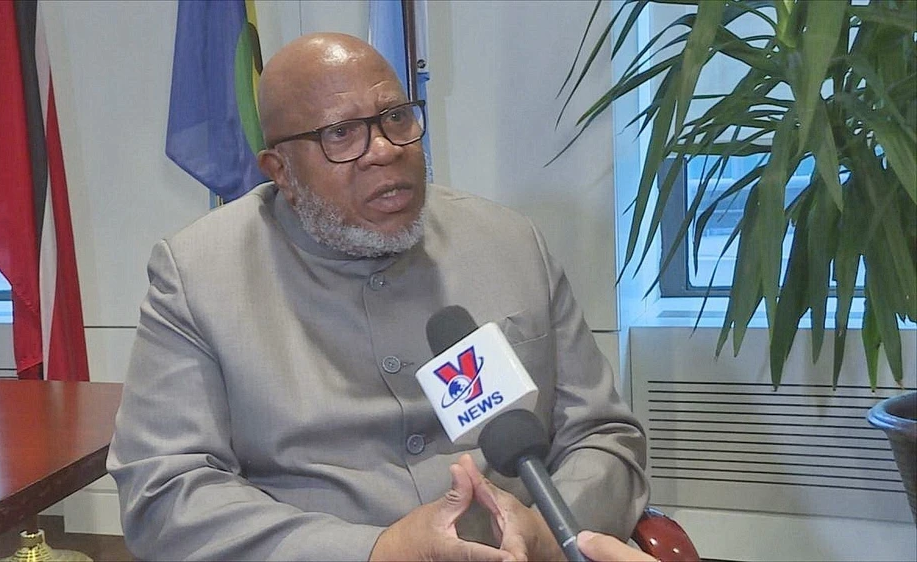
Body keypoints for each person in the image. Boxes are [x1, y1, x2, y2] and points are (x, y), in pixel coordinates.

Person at [107, 32, 649, 561]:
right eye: (341, 133)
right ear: (281, 173)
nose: (385, 151)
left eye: (396, 118)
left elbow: (604, 435)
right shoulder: (197, 275)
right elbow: (164, 491)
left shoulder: (510, 242)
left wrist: (552, 532)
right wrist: (372, 551)